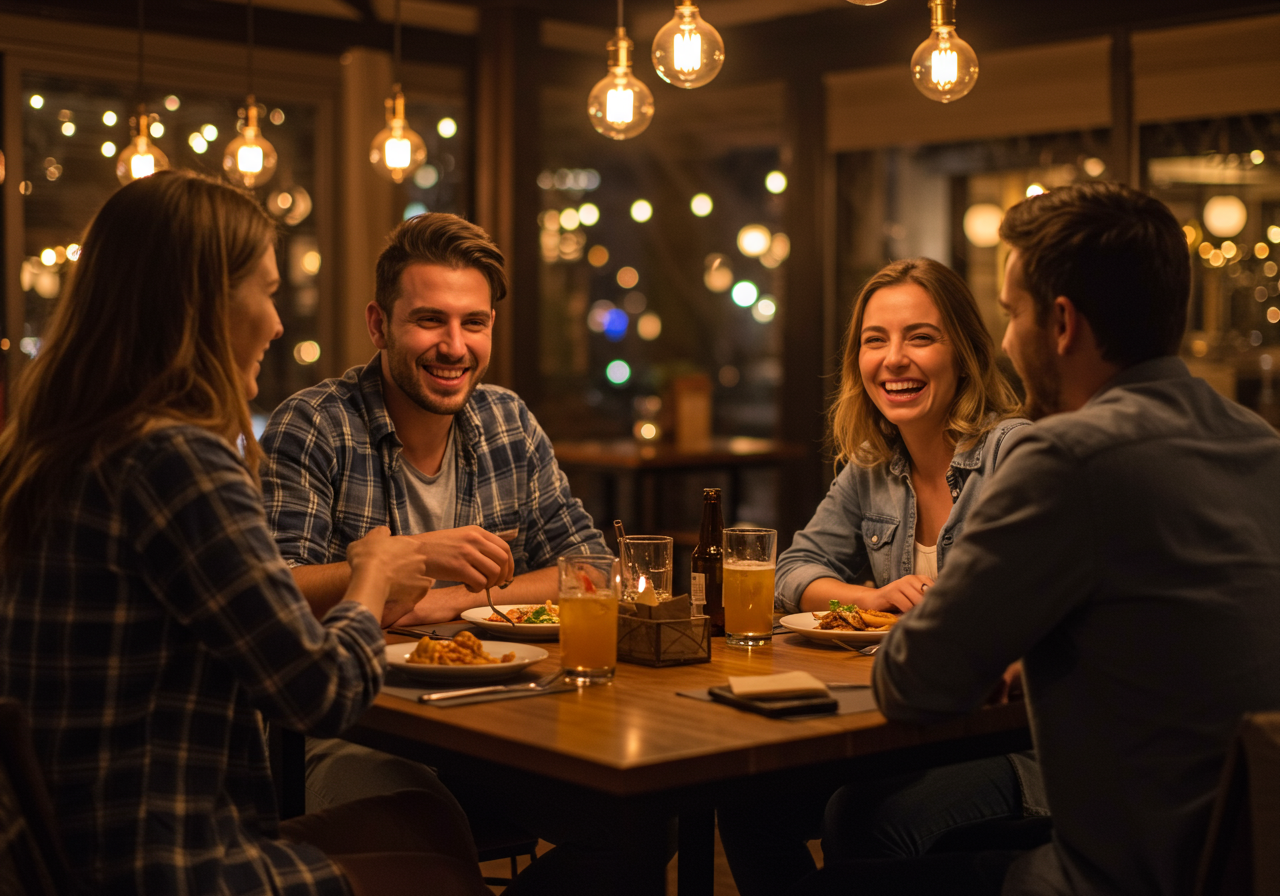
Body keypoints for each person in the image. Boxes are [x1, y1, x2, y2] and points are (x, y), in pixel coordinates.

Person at [0, 171, 489, 896]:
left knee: (427, 820)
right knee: (442, 877)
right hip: (168, 862)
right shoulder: (176, 460)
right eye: (265, 292)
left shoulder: (46, 448)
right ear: (203, 305)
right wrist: (374, 573)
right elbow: (320, 694)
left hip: (73, 844)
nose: (277, 322)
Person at [834, 182, 1280, 895]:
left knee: (853, 857)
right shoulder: (1258, 443)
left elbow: (913, 683)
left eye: (1012, 315)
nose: (1006, 341)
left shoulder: (1067, 457)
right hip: (1244, 858)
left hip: (1126, 874)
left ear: (1062, 323)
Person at [261, 214, 672, 896]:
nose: (455, 347)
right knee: (431, 835)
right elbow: (275, 596)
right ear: (378, 324)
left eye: (473, 323)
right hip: (355, 730)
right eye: (429, 321)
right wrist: (409, 558)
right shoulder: (315, 425)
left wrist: (454, 599)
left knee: (643, 824)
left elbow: (593, 568)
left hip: (499, 720)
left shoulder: (507, 420)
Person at [720, 257, 1044, 896]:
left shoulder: (1015, 453)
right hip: (906, 732)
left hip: (1020, 749)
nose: (894, 359)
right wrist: (870, 596)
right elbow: (792, 571)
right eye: (876, 340)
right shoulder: (872, 467)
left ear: (964, 353)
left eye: (920, 337)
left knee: (864, 818)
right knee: (747, 798)